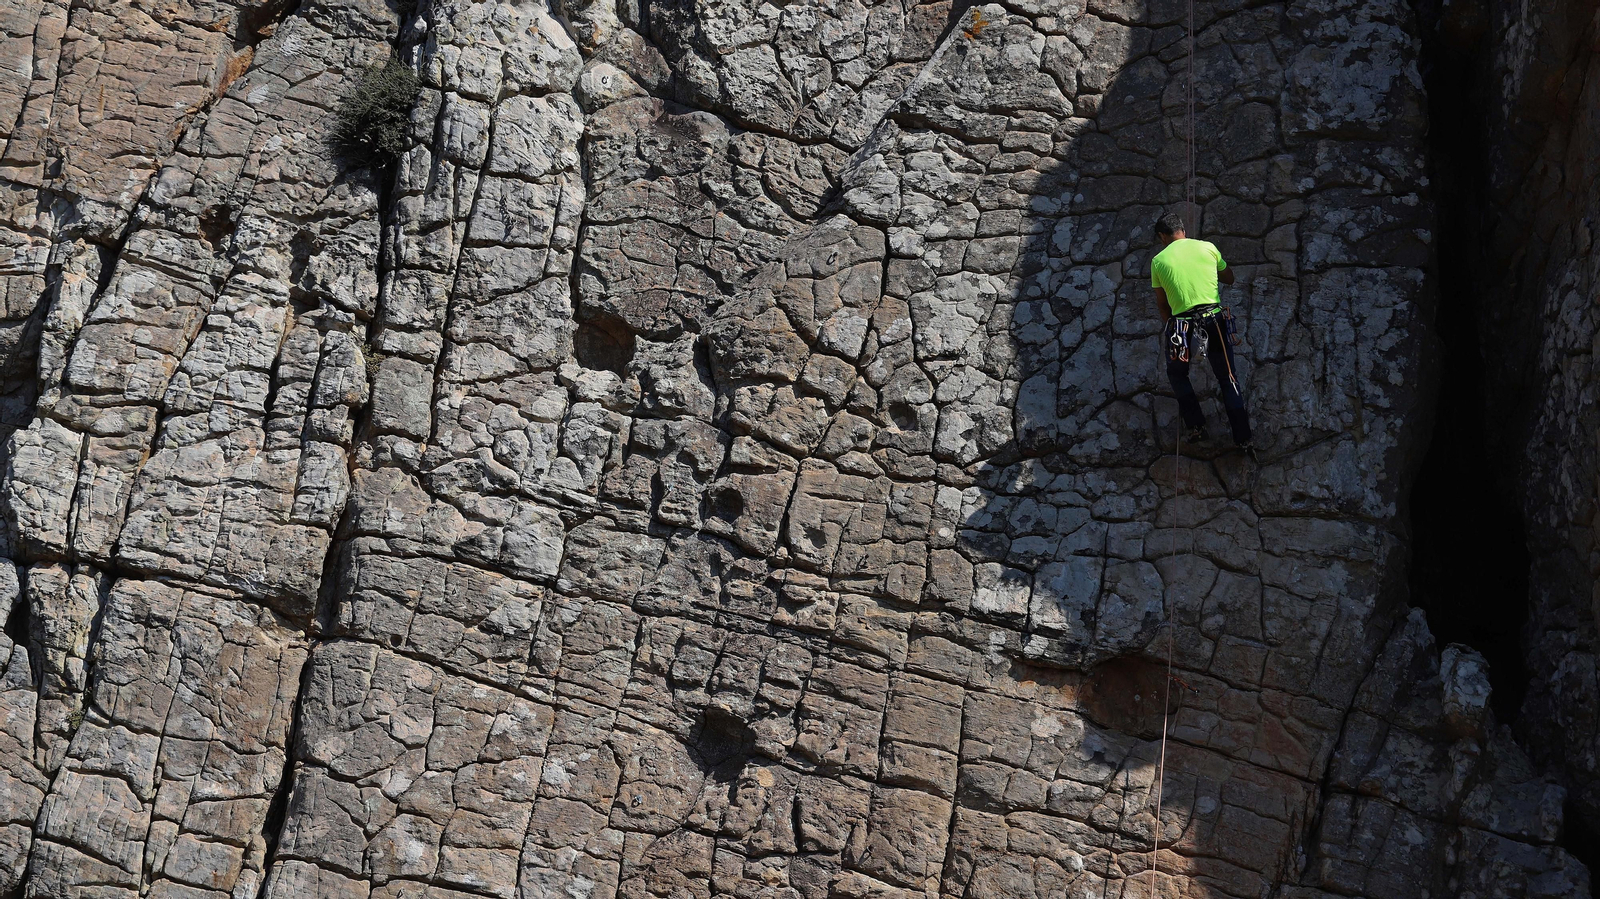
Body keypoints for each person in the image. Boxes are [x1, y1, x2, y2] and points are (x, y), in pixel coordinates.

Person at [1149, 212, 1252, 451]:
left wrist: (1171, 330)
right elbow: (1230, 278)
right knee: (1227, 377)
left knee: (1177, 374)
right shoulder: (1208, 248)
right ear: (1182, 230)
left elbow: (1162, 304)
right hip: (1213, 320)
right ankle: (1243, 439)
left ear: (1162, 236)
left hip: (1181, 325)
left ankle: (1196, 426)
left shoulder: (1158, 261)